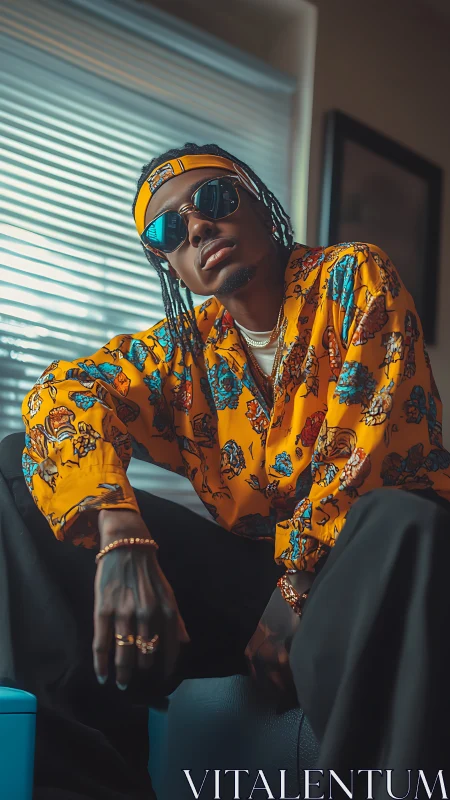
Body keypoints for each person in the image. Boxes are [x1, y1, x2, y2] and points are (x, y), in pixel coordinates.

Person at [17, 141, 450, 798]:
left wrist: (299, 587)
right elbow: (61, 396)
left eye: (214, 199)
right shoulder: (185, 353)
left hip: (374, 566)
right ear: (168, 262)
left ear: (260, 207)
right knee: (12, 470)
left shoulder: (352, 276)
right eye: (168, 228)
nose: (196, 225)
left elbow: (360, 454)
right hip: (262, 587)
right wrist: (120, 537)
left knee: (399, 517)